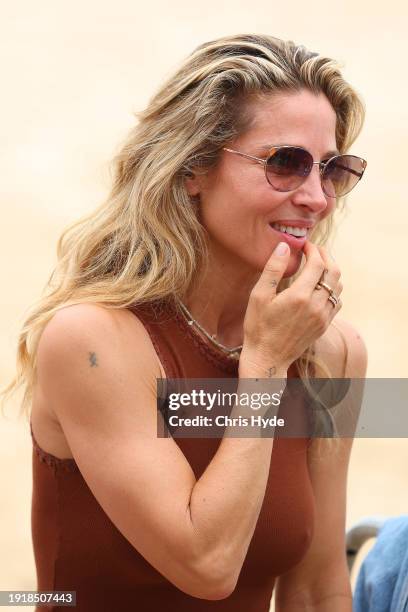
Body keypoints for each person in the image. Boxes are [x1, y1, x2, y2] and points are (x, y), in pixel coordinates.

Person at [1, 34, 368, 611]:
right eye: (286, 163)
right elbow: (207, 563)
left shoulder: (330, 351)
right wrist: (265, 365)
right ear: (194, 167)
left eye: (332, 169)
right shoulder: (92, 340)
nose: (317, 197)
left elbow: (318, 590)